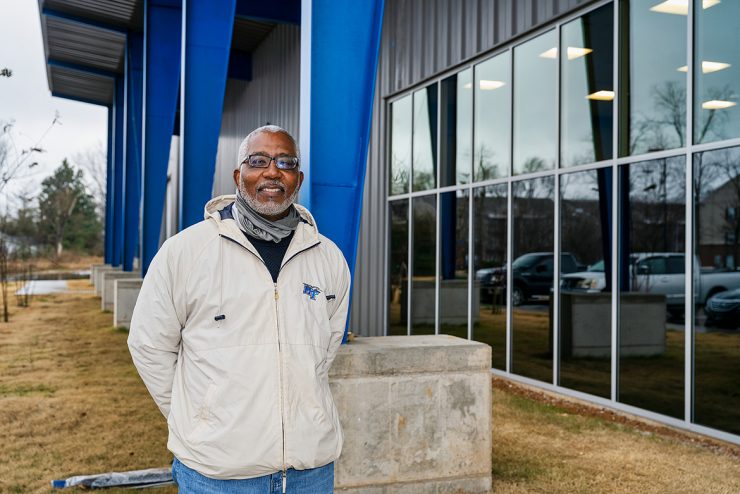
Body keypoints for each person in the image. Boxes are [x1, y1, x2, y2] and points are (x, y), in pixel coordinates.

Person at [128, 125, 351, 493]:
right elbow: (149, 345)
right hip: (218, 475)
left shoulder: (328, 257)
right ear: (238, 175)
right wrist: (198, 419)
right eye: (258, 161)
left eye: (286, 162)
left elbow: (325, 349)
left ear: (298, 179)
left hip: (309, 472)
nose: (273, 171)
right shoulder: (185, 252)